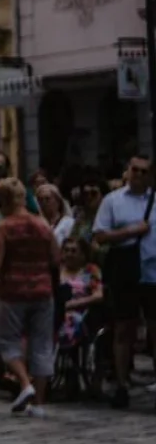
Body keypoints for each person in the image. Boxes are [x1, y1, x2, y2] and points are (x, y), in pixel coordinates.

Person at [0, 177, 59, 418]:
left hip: (13, 291)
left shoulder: (4, 227)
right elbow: (55, 259)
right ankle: (38, 403)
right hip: (42, 290)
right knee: (41, 344)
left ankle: (24, 382)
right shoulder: (43, 225)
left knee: (7, 341)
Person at [92, 154, 156, 410]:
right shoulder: (113, 201)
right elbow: (100, 235)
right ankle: (121, 383)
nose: (138, 175)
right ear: (127, 172)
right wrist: (130, 231)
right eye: (134, 170)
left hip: (153, 272)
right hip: (125, 270)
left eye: (144, 171)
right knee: (123, 328)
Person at [58, 237, 103, 355]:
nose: (69, 254)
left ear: (83, 254)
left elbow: (98, 295)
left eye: (73, 251)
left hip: (81, 314)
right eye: (66, 250)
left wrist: (72, 304)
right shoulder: (56, 271)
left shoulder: (90, 271)